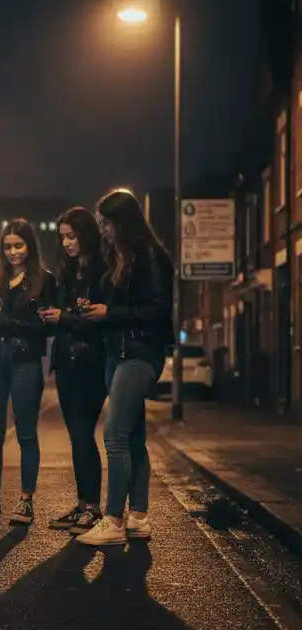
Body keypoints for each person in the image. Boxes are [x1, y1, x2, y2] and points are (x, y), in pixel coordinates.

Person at [75, 188, 174, 546]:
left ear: (123, 221)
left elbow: (158, 308)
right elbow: (115, 308)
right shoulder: (116, 258)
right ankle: (140, 517)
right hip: (114, 354)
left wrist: (109, 313)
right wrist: (94, 309)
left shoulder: (150, 256)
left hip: (139, 353)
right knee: (133, 437)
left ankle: (114, 520)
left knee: (114, 434)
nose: (102, 230)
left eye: (106, 223)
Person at [0, 219, 56, 525]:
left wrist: (4, 321)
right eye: (7, 246)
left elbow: (43, 326)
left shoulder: (44, 280)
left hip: (26, 359)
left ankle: (26, 500)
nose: (12, 252)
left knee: (26, 433)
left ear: (29, 246)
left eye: (18, 245)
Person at [39, 207, 108, 532]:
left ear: (86, 234)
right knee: (76, 436)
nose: (66, 243)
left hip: (91, 363)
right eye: (62, 237)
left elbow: (98, 321)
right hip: (66, 361)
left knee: (83, 433)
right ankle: (83, 504)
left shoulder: (102, 272)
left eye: (71, 236)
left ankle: (93, 507)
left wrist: (63, 318)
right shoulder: (68, 273)